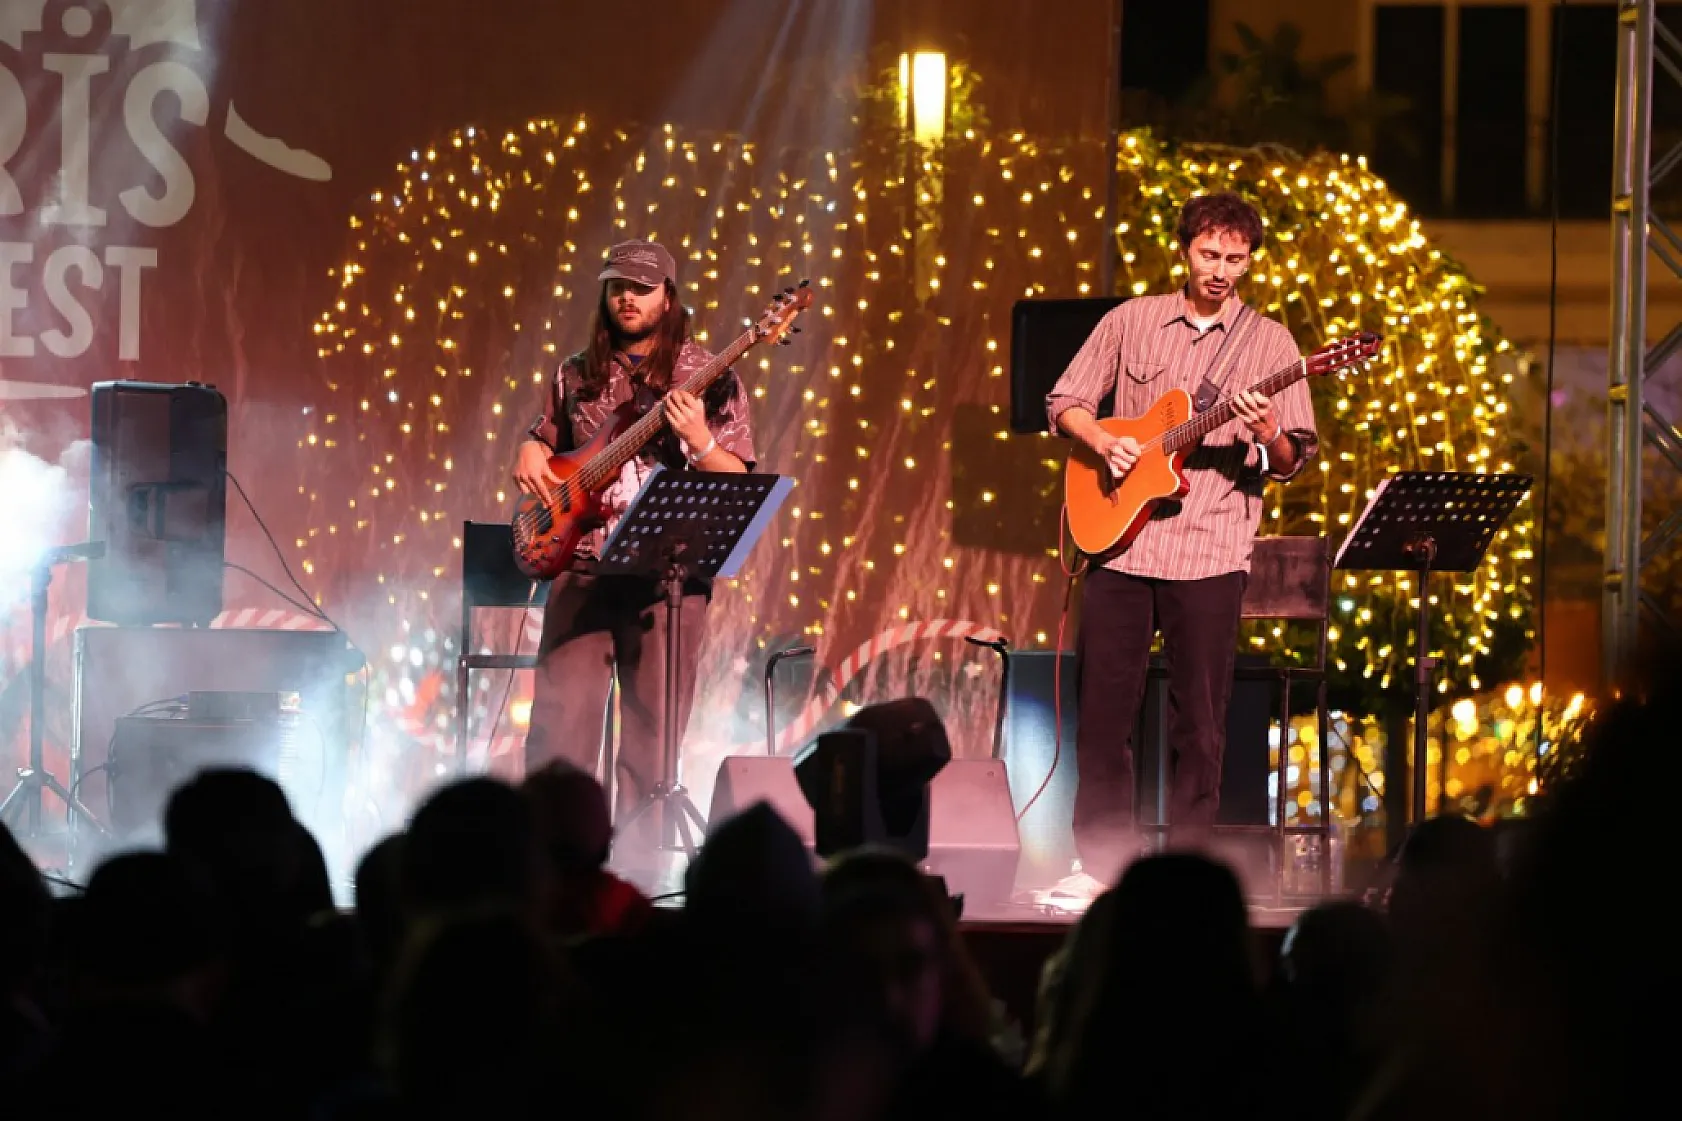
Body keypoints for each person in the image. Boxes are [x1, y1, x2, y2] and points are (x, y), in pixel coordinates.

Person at [1046, 191, 1319, 882]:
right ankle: (1101, 863)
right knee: (1105, 713)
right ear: (1184, 249)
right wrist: (1105, 440)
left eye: (1237, 257)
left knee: (1200, 723)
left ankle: (1191, 873)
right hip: (1120, 545)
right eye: (1210, 254)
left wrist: (1268, 434)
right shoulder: (1130, 320)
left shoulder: (1272, 342)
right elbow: (1064, 401)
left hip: (1210, 550)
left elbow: (1292, 460)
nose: (1222, 269)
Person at [512, 239, 755, 846]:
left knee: (651, 746)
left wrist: (699, 440)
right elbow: (547, 440)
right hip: (584, 568)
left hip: (666, 580)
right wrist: (529, 446)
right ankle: (556, 872)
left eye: (642, 288)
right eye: (618, 286)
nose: (628, 298)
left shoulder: (709, 373)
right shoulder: (574, 372)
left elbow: (738, 480)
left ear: (668, 297)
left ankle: (638, 889)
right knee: (558, 738)